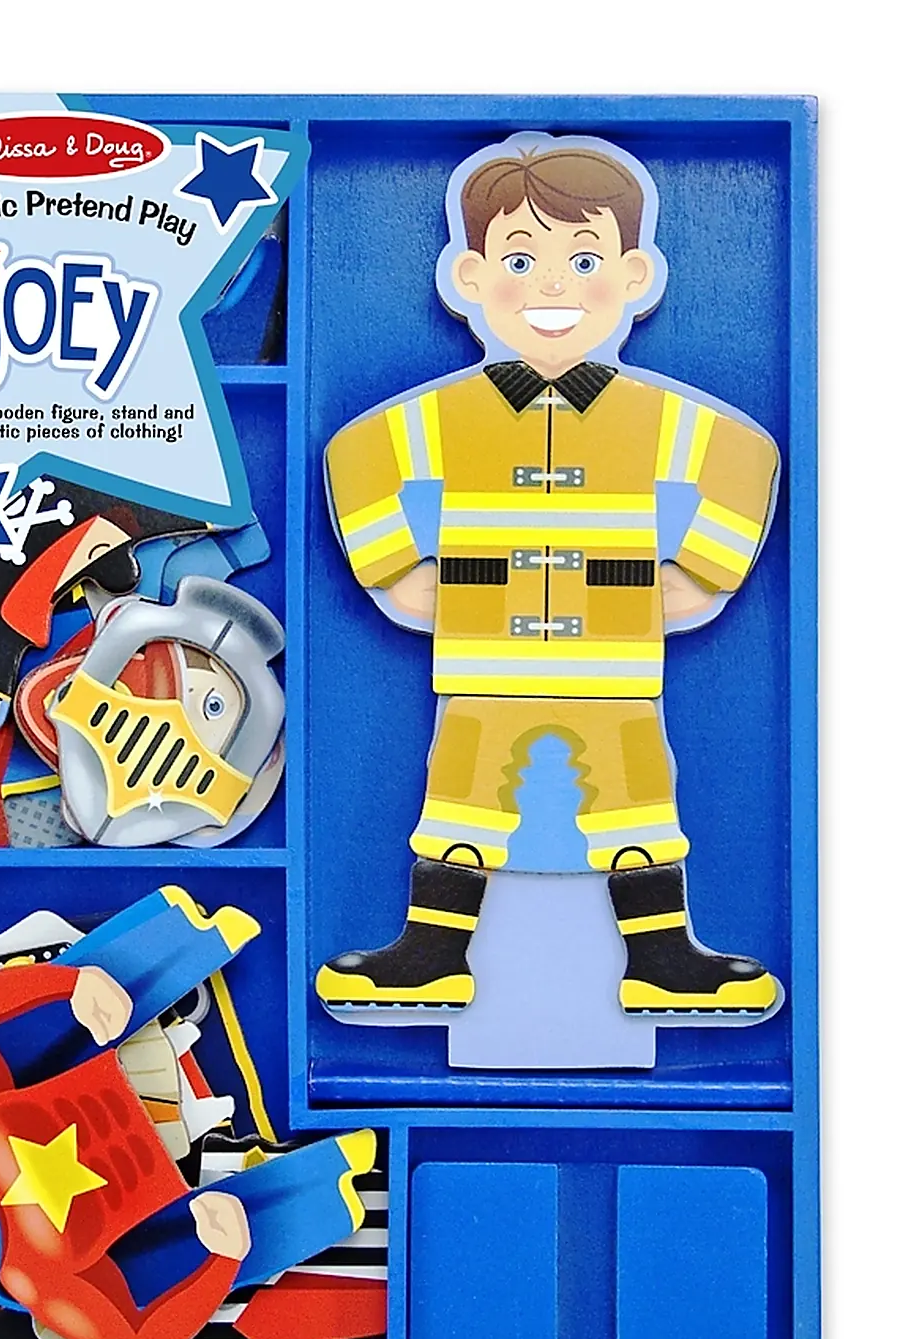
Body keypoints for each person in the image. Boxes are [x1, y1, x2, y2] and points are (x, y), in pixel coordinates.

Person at [315, 141, 780, 1015]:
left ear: (634, 275)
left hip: (616, 666)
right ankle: (431, 956)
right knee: (461, 797)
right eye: (522, 262)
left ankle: (663, 960)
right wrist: (392, 569)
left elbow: (746, 459)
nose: (553, 286)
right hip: (482, 663)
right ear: (471, 278)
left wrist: (706, 571)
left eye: (585, 261)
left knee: (637, 799)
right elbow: (359, 454)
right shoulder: (445, 413)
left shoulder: (657, 415)